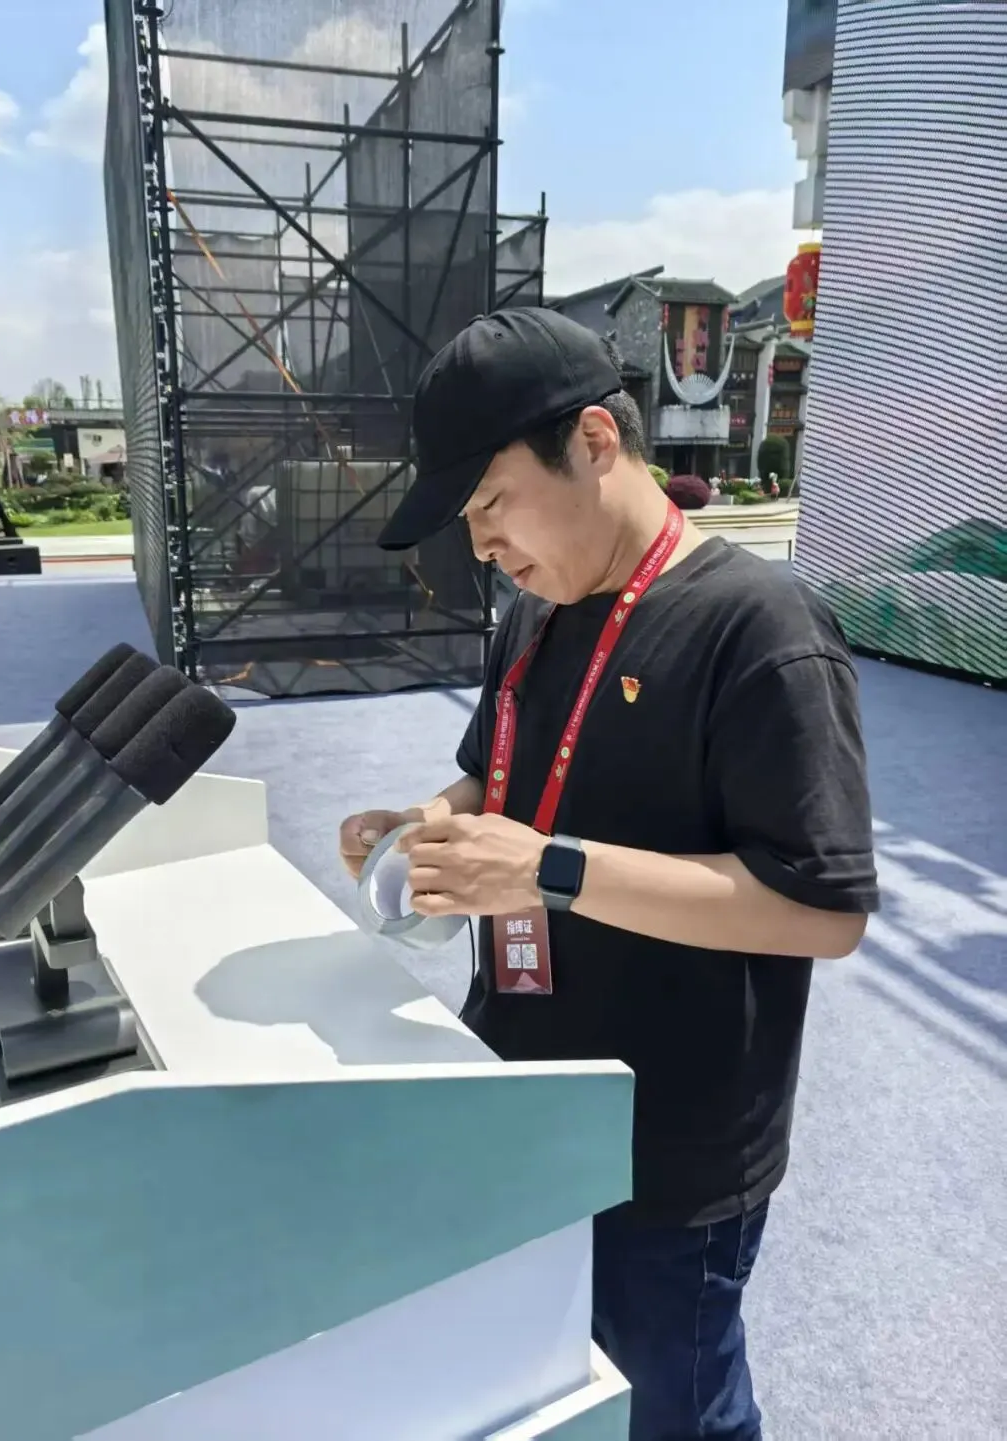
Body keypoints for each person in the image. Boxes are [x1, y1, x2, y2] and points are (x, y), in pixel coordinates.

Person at [338, 308, 879, 1441]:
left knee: (674, 1408)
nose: (481, 545)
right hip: (525, 1091)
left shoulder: (760, 627)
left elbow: (821, 911)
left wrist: (550, 870)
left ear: (592, 441)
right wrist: (425, 823)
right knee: (551, 1384)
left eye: (491, 503)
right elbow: (494, 775)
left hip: (672, 1143)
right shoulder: (534, 612)